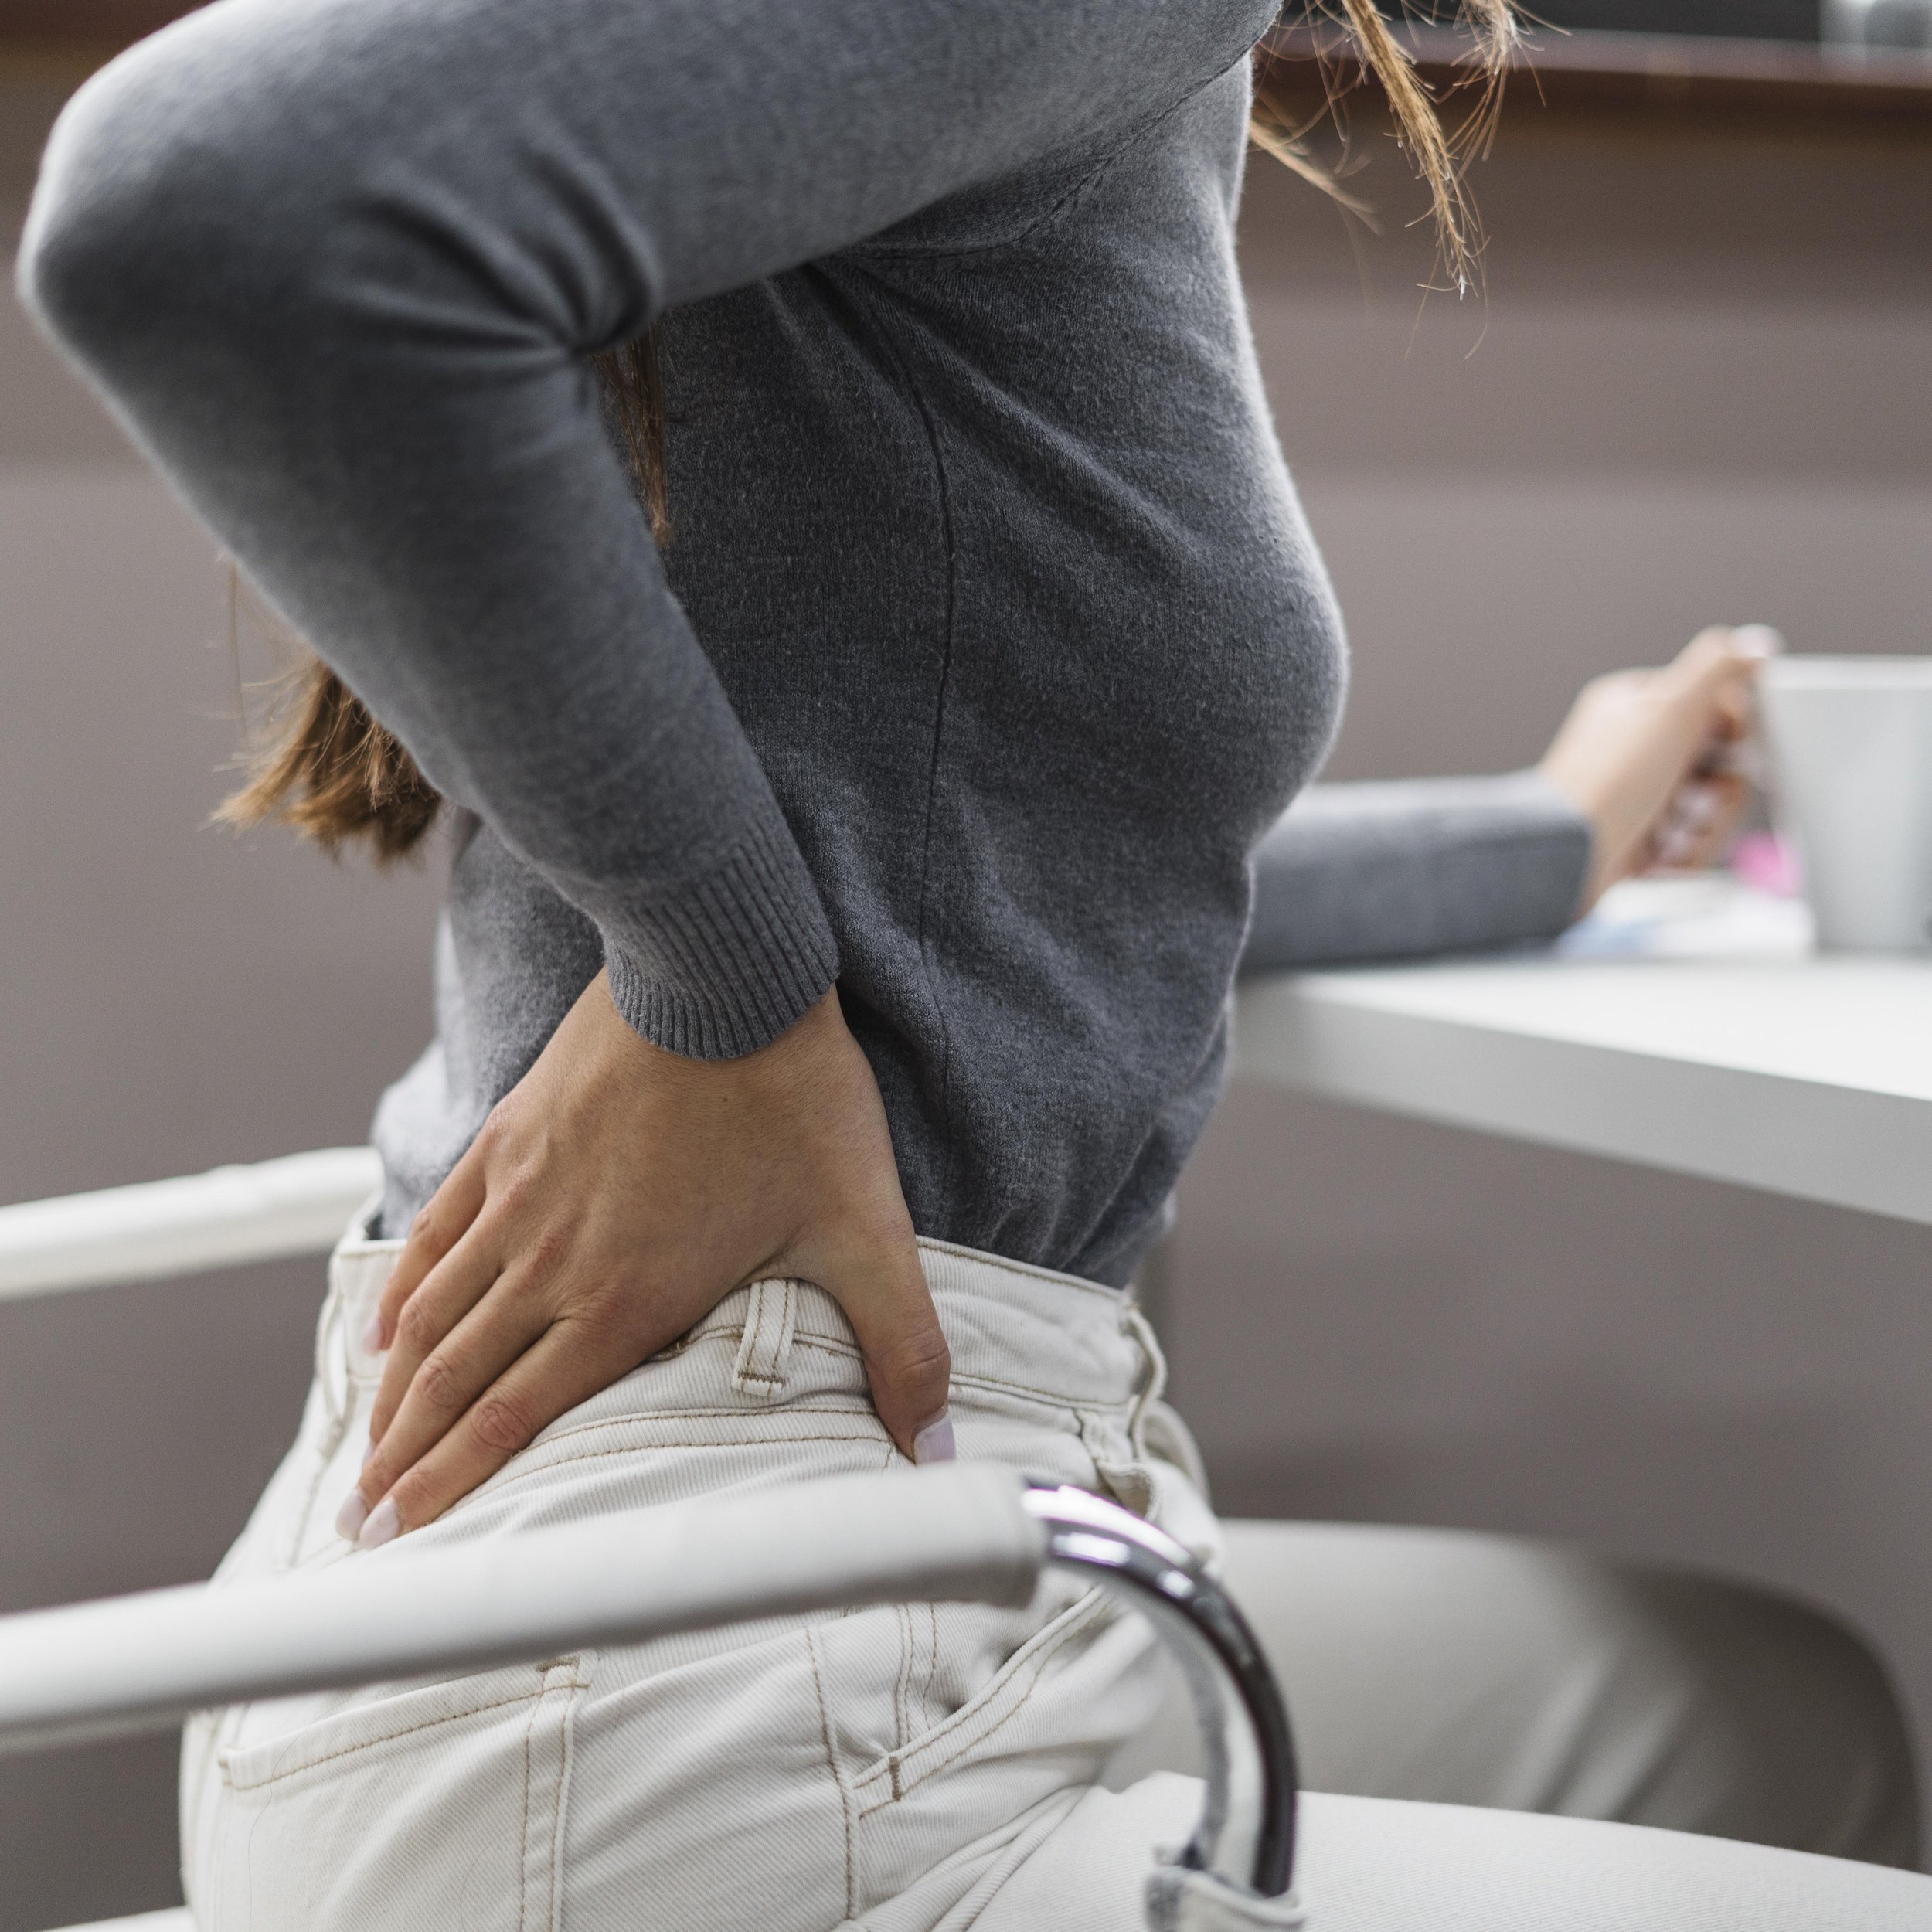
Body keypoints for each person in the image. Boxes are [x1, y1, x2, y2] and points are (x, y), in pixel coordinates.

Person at [19, 2, 1927, 1926]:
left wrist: (1543, 834)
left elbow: (980, 876)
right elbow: (205, 211)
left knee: (1754, 1714)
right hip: (696, 1699)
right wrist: (725, 980)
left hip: (539, 1607)